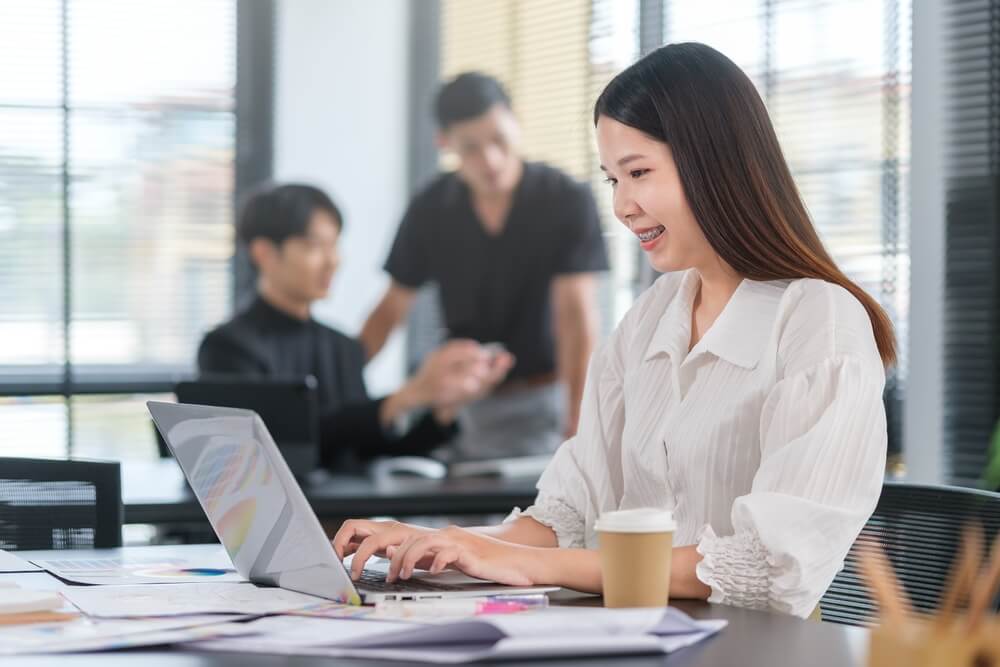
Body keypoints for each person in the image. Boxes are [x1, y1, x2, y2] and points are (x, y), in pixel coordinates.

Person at [333, 43, 894, 618]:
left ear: (713, 161)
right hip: (634, 636)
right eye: (612, 180)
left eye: (639, 173)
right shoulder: (654, 316)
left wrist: (524, 564)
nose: (623, 206)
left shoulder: (818, 321)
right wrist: (442, 544)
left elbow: (767, 565)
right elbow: (569, 516)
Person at [360, 72, 609, 460]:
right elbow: (391, 308)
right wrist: (340, 395)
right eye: (470, 147)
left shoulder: (565, 199)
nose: (489, 160)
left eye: (498, 140)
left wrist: (578, 424)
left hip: (548, 401)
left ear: (515, 121)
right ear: (444, 142)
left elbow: (576, 316)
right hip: (462, 405)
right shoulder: (431, 207)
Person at [198, 184, 513, 471]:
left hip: (347, 527)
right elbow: (278, 448)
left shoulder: (342, 346)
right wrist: (405, 396)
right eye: (314, 246)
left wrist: (444, 406)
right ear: (264, 253)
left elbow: (368, 451)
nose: (333, 260)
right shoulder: (228, 348)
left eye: (334, 245)